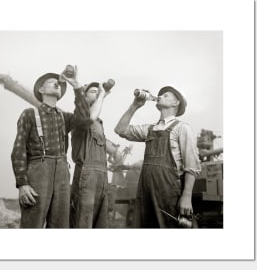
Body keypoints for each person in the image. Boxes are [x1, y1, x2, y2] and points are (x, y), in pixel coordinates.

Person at [114, 86, 201, 228]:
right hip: (145, 193)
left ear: (176, 103)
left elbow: (192, 167)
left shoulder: (182, 128)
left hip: (168, 194)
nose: (160, 96)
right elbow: (120, 130)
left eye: (166, 95)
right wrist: (135, 106)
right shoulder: (149, 129)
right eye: (161, 95)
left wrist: (186, 197)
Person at [10, 68, 84, 228]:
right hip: (38, 171)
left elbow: (84, 118)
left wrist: (76, 86)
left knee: (60, 225)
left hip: (63, 174)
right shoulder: (30, 114)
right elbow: (19, 149)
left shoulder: (65, 118)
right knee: (32, 224)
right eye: (51, 82)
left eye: (58, 83)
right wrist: (22, 184)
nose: (57, 83)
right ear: (41, 90)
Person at [69, 81, 111, 228]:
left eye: (97, 92)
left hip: (101, 176)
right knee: (83, 222)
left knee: (99, 223)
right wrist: (102, 95)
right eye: (93, 91)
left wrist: (101, 95)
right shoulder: (79, 118)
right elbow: (89, 118)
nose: (97, 93)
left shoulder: (99, 123)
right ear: (84, 97)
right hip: (86, 174)